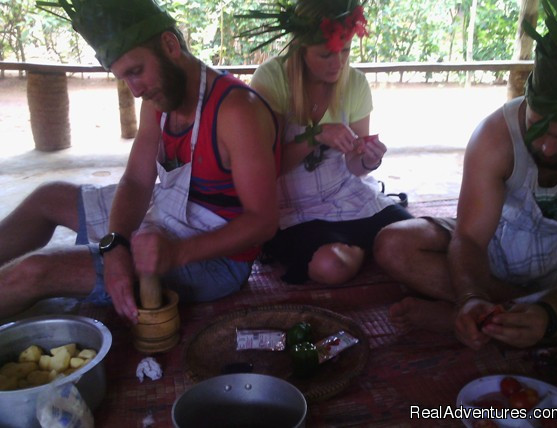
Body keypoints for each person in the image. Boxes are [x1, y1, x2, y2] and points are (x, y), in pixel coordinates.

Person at [375, 0, 557, 350]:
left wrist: (549, 313)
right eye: (536, 127)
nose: (546, 148)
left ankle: (510, 323)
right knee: (394, 244)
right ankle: (526, 321)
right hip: (499, 251)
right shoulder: (495, 132)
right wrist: (471, 295)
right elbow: (469, 239)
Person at [0, 0, 280, 323]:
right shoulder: (158, 98)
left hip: (219, 261)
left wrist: (176, 253)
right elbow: (136, 180)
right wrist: (117, 244)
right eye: (124, 78)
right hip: (166, 213)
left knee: (35, 271)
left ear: (170, 45)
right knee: (47, 198)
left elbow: (263, 222)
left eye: (136, 71)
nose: (135, 91)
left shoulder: (235, 111)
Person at [239, 0, 413, 285]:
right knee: (329, 267)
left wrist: (368, 159)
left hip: (346, 194)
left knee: (414, 236)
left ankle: (362, 247)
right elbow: (266, 169)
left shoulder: (354, 82)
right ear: (300, 49)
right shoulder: (272, 78)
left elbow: (356, 169)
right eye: (326, 55)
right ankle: (367, 248)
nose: (339, 63)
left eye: (345, 51)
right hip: (291, 207)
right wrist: (315, 136)